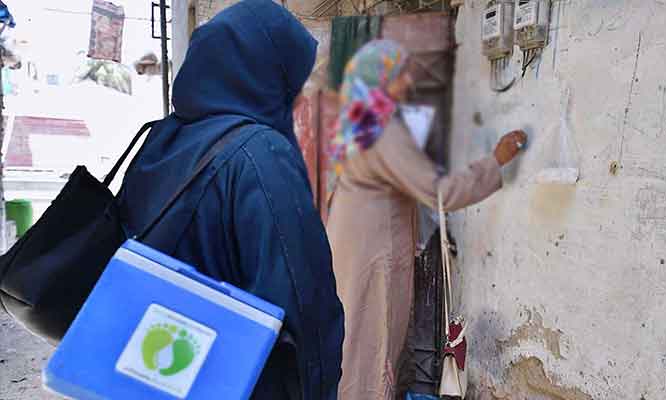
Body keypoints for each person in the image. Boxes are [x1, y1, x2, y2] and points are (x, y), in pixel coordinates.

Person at [116, 1, 344, 399]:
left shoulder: (161, 141)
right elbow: (305, 310)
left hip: (154, 376)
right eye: (295, 82)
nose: (301, 100)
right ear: (267, 75)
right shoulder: (260, 154)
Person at [325, 40, 526, 400]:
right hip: (373, 255)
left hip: (352, 249)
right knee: (371, 346)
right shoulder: (383, 130)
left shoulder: (357, 121)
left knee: (352, 339)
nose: (407, 86)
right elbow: (440, 192)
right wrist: (495, 161)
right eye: (400, 78)